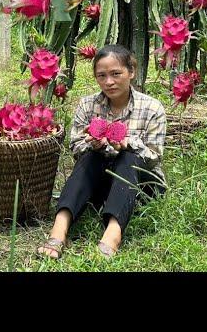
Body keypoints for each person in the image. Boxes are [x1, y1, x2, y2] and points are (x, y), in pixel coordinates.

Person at [37, 44, 167, 259]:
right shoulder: (88, 105)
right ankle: (58, 232)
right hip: (100, 186)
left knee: (129, 158)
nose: (109, 81)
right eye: (102, 75)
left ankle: (112, 236)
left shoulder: (153, 108)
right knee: (90, 156)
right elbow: (75, 147)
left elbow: (154, 156)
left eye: (116, 73)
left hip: (142, 187)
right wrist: (92, 143)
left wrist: (127, 143)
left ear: (131, 72)